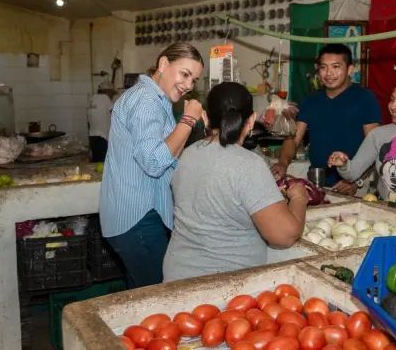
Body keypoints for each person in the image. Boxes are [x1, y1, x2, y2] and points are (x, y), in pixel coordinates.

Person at [163, 82, 309, 282]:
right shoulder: (248, 164)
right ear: (250, 121)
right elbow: (285, 236)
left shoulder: (186, 154)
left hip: (177, 276)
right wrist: (299, 197)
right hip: (226, 289)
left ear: (205, 118)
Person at [99, 42, 205, 289]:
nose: (189, 85)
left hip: (139, 215)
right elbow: (155, 162)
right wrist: (188, 120)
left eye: (194, 80)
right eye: (185, 74)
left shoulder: (157, 100)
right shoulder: (146, 101)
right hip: (138, 219)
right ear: (164, 64)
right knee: (156, 297)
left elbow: (168, 152)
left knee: (141, 295)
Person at [272, 43, 381, 195]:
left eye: (336, 67)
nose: (329, 73)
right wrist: (283, 163)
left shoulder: (365, 98)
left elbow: (374, 146)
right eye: (323, 67)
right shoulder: (310, 101)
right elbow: (293, 139)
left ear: (349, 69)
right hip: (317, 182)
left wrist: (357, 180)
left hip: (353, 186)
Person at [87, 84, 115, 162]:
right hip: (102, 137)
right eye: (112, 93)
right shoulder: (105, 98)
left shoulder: (93, 99)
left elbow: (89, 122)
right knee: (103, 163)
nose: (112, 96)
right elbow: (115, 113)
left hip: (92, 137)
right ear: (108, 91)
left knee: (96, 162)